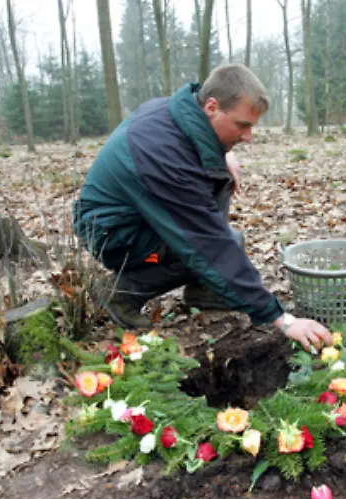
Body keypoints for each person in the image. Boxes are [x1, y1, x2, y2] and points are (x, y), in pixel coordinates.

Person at [73, 64, 332, 353]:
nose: (248, 137)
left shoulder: (180, 113)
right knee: (208, 250)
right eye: (242, 125)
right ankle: (120, 292)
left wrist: (224, 153)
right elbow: (206, 244)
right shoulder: (163, 156)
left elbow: (195, 144)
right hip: (114, 235)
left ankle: (204, 287)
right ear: (212, 106)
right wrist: (281, 319)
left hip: (137, 217)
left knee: (229, 239)